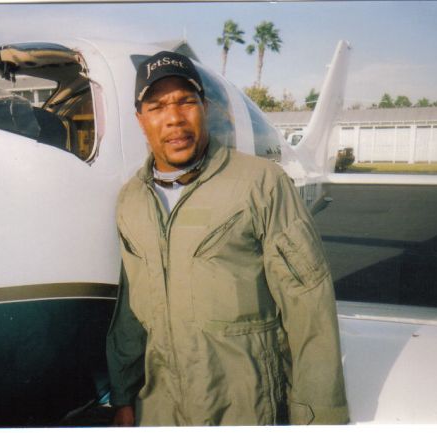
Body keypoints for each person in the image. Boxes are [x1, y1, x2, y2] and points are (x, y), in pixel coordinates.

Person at [106, 51, 348, 426]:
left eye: (186, 101)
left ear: (205, 107)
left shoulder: (262, 184)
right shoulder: (131, 201)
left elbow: (309, 309)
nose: (174, 119)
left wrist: (317, 418)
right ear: (141, 120)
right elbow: (130, 313)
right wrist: (123, 396)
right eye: (156, 107)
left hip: (245, 408)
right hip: (160, 411)